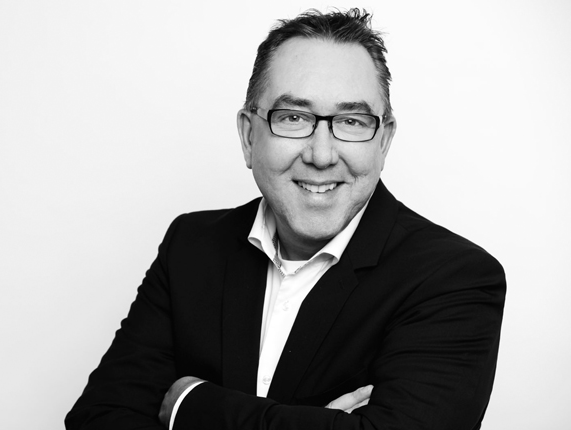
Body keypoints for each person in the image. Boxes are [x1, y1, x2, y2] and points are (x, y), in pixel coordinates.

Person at [66, 8, 505, 430]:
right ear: (248, 136)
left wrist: (189, 405)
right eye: (293, 117)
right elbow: (97, 417)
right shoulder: (191, 246)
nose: (321, 154)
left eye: (352, 121)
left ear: (383, 141)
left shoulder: (455, 279)